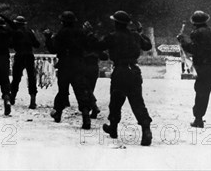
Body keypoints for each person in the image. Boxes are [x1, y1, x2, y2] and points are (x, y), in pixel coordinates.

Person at [99, 10, 153, 146]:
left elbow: (98, 46)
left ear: (116, 23)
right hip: (134, 71)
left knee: (116, 102)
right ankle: (146, 128)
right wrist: (140, 33)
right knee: (137, 103)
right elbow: (147, 45)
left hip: (120, 71)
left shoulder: (112, 36)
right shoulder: (135, 36)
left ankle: (113, 127)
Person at [44, 11, 93, 129]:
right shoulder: (81, 33)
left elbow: (53, 49)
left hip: (65, 65)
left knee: (63, 91)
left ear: (63, 22)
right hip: (78, 65)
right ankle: (86, 116)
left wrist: (48, 38)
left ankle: (58, 114)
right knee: (81, 91)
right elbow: (87, 47)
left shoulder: (61, 33)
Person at [10, 16, 40, 109]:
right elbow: (37, 44)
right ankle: (33, 100)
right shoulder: (30, 32)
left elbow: (10, 44)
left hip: (19, 55)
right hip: (29, 55)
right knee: (31, 78)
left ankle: (12, 97)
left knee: (16, 78)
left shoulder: (15, 32)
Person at [82, 21, 108, 119]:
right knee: (90, 89)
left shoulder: (82, 40)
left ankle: (93, 107)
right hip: (94, 67)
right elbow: (103, 55)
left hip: (85, 66)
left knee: (86, 89)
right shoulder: (96, 40)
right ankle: (92, 109)